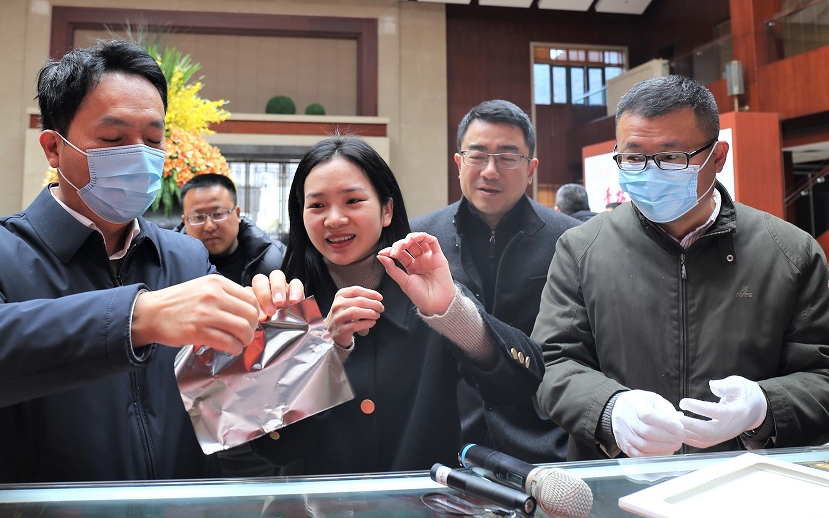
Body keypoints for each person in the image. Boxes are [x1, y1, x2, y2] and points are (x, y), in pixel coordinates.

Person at [0, 40, 262, 483]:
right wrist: (135, 318)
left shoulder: (185, 256)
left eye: (153, 140)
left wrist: (292, 342)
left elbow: (236, 420)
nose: (140, 155)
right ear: (54, 148)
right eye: (113, 139)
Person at [533, 75, 829, 460]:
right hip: (619, 481)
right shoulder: (582, 248)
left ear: (717, 157)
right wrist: (610, 409)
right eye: (634, 157)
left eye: (672, 157)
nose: (650, 172)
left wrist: (763, 407)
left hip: (746, 480)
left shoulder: (789, 252)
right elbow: (552, 363)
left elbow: (822, 375)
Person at [249, 135, 544, 475]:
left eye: (353, 201)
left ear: (387, 210)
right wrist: (325, 351)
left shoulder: (428, 292)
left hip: (423, 501)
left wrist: (452, 313)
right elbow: (272, 448)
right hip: (318, 503)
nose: (334, 219)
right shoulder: (286, 300)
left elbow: (522, 385)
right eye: (317, 206)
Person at [412, 100, 578, 463]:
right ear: (459, 164)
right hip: (444, 442)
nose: (490, 171)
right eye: (477, 156)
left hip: (544, 441)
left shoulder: (571, 240)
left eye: (507, 158)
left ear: (530, 169)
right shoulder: (421, 239)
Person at [179, 173, 284, 286]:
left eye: (218, 214)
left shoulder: (279, 256)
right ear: (185, 222)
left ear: (237, 214)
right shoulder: (168, 263)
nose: (209, 226)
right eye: (198, 217)